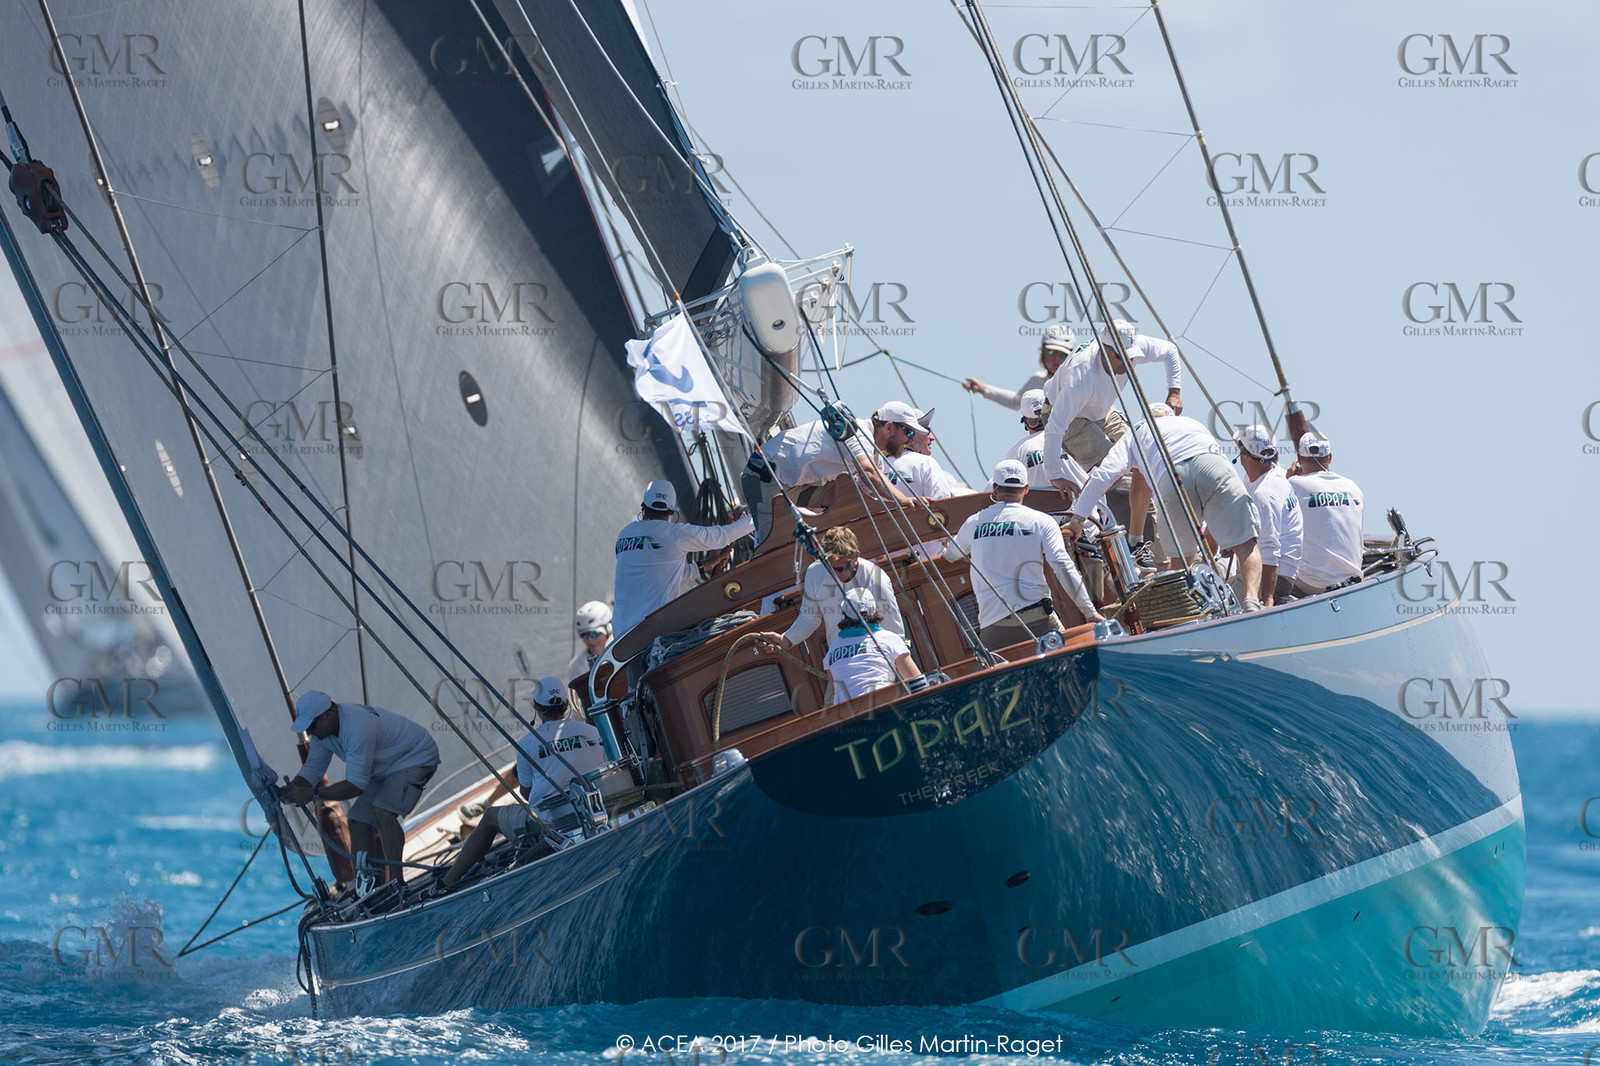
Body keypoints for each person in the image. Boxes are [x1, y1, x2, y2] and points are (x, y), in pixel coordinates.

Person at [1065, 404, 1265, 610]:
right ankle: (1251, 599)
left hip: (1172, 477)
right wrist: (1136, 537)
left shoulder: (1136, 433)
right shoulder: (1190, 422)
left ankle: (1188, 616)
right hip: (1213, 464)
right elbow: (1141, 490)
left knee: (1180, 566)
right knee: (1246, 542)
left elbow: (1102, 476)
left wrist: (1077, 520)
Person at [433, 678, 607, 892]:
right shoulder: (593, 732)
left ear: (536, 707)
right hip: (593, 811)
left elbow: (526, 793)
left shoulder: (527, 743)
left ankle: (446, 883)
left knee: (489, 818)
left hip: (551, 821)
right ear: (566, 704)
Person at [945, 459, 1103, 649]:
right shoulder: (1041, 521)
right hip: (1038, 619)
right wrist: (1089, 612)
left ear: (994, 489)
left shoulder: (973, 523)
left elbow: (951, 556)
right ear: (1026, 488)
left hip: (992, 627)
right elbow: (1063, 566)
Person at [287, 691, 440, 887]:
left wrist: (314, 794)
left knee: (383, 812)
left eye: (312, 726)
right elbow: (311, 771)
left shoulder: (357, 726)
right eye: (307, 728)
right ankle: (366, 886)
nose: (310, 733)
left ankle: (396, 883)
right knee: (358, 820)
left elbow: (354, 786)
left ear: (328, 714)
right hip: (385, 768)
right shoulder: (322, 734)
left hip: (415, 757)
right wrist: (291, 789)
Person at [741, 401, 923, 543]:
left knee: (851, 497)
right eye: (908, 432)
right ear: (889, 427)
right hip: (766, 472)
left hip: (797, 485)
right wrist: (904, 500)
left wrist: (908, 512)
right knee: (773, 540)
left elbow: (869, 494)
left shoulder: (875, 458)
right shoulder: (856, 431)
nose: (910, 440)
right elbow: (869, 473)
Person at [611, 480, 755, 641]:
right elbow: (723, 536)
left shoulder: (624, 534)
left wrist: (706, 565)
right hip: (652, 634)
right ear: (672, 511)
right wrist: (760, 514)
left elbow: (661, 575)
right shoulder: (674, 534)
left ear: (643, 506)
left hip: (620, 638)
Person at [751, 527, 904, 653]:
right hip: (839, 660)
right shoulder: (815, 572)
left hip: (876, 659)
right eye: (831, 568)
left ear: (856, 556)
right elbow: (810, 618)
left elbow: (894, 632)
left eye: (842, 568)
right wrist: (785, 640)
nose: (837, 574)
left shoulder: (876, 579)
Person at [1286, 431, 1364, 596]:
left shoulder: (1293, 484)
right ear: (1329, 458)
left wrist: (1287, 480)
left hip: (1313, 584)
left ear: (1299, 460)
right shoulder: (1353, 487)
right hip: (1354, 579)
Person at [1233, 425, 1302, 606]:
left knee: (1223, 595)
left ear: (1245, 455)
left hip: (1276, 578)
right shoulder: (1267, 475)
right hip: (1278, 571)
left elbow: (1270, 549)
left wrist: (1267, 600)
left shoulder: (1265, 494)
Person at [822, 589, 922, 702]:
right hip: (882, 708)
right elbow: (917, 683)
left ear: (844, 614)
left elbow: (836, 688)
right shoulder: (890, 639)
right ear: (875, 610)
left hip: (847, 714)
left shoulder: (832, 649)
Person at [961, 324, 1077, 410]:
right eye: (1051, 352)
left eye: (1062, 354)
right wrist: (983, 388)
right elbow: (1016, 401)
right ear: (1043, 352)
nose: (1055, 358)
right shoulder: (1036, 380)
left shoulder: (1076, 381)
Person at [1005, 389, 1091, 490]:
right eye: (1035, 422)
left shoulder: (1015, 452)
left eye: (1042, 420)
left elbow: (1011, 491)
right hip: (1089, 503)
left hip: (1040, 505)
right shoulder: (1078, 434)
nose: (1041, 424)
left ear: (1024, 422)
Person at [565, 600, 612, 706]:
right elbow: (577, 709)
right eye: (584, 635)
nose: (590, 640)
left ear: (609, 628)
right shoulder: (576, 665)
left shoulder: (623, 649)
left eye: (595, 633)